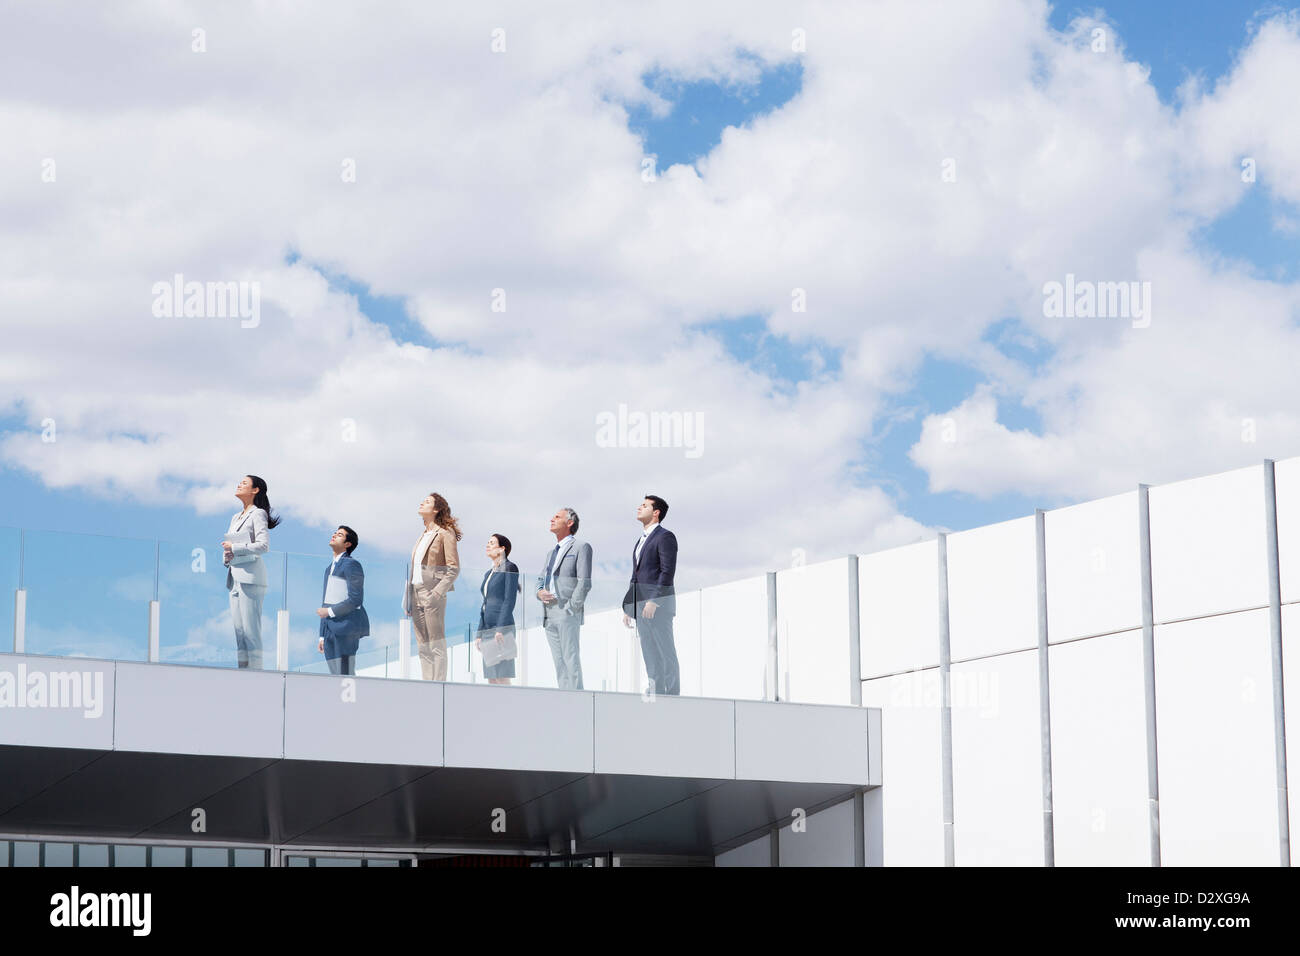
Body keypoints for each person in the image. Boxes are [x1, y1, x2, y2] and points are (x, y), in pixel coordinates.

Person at [622, 494, 679, 696]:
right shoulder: (640, 540)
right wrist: (630, 606)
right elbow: (635, 576)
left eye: (644, 505)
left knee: (665, 650)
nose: (639, 507)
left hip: (658, 605)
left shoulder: (665, 536)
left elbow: (667, 571)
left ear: (656, 513)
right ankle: (656, 690)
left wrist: (655, 600)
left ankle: (672, 694)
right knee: (649, 650)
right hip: (640, 605)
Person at [222, 474, 281, 669]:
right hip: (235, 577)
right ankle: (243, 675)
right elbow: (232, 544)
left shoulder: (258, 514)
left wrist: (235, 548)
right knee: (239, 633)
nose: (239, 484)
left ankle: (256, 676)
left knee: (251, 632)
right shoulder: (235, 516)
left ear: (255, 490)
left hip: (251, 577)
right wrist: (227, 555)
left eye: (244, 483)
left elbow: (263, 546)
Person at [404, 492, 461, 681]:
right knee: (422, 644)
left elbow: (453, 568)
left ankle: (439, 685)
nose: (422, 503)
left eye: (427, 502)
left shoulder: (445, 533)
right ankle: (427, 683)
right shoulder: (422, 535)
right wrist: (408, 598)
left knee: (436, 642)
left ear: (436, 509)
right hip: (415, 592)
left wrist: (437, 593)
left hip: (432, 592)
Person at [535, 507, 592, 690]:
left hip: (566, 609)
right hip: (548, 612)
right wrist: (539, 592)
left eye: (557, 517)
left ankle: (578, 700)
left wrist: (571, 608)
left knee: (570, 658)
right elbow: (540, 579)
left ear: (569, 523)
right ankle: (564, 699)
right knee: (558, 662)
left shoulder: (581, 547)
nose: (552, 519)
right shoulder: (551, 553)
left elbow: (584, 582)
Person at [316, 526, 370, 675]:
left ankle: (352, 699)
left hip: (347, 627)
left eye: (339, 535)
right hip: (329, 630)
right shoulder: (329, 568)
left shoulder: (352, 564)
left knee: (345, 674)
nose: (334, 535)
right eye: (334, 533)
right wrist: (322, 634)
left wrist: (329, 611)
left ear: (348, 544)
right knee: (335, 675)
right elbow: (326, 600)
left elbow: (356, 599)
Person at [475, 534, 520, 685]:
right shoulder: (488, 573)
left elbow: (509, 600)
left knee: (502, 675)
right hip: (487, 629)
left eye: (492, 543)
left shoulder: (510, 567)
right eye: (487, 542)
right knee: (492, 678)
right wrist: (479, 633)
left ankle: (510, 707)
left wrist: (501, 628)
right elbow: (484, 604)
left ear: (502, 548)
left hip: (502, 628)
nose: (488, 545)